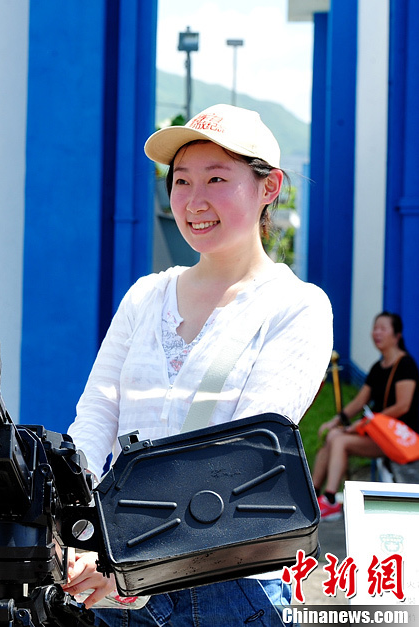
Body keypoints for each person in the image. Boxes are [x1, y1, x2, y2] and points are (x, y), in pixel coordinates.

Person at [62, 104, 333, 625]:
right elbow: (96, 417)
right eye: (181, 181)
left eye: (217, 178)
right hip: (122, 591)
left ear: (269, 187)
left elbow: (244, 457)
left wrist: (122, 554)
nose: (194, 200)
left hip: (230, 592)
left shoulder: (295, 307)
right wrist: (74, 530)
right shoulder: (146, 297)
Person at [313, 312, 418, 520]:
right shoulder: (378, 367)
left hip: (398, 439)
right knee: (333, 436)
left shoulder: (405, 365)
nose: (376, 333)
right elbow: (359, 401)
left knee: (340, 440)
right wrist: (335, 421)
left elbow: (402, 406)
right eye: (375, 328)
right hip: (378, 434)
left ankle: (331, 499)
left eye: (382, 328)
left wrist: (364, 423)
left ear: (396, 335)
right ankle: (313, 496)